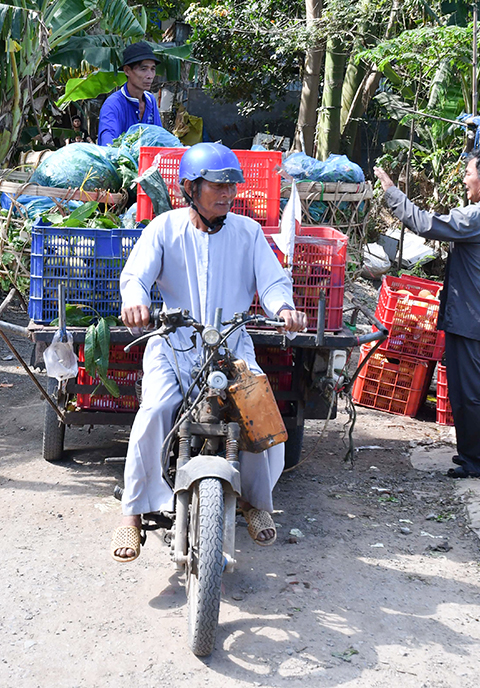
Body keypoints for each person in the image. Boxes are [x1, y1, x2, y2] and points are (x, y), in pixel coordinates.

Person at [112, 142, 307, 562]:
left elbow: (272, 282)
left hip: (231, 345)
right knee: (155, 410)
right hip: (174, 343)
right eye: (217, 185)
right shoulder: (163, 228)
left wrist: (285, 308)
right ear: (189, 188)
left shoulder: (248, 232)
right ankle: (133, 513)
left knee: (258, 413)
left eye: (231, 185)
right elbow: (136, 276)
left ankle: (257, 503)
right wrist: (136, 300)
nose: (227, 193)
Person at [374, 147, 480, 479]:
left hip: (472, 319)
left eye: (468, 172)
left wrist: (391, 192)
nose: (464, 179)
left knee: (470, 393)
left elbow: (428, 224)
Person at [97, 42, 163, 147]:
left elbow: (160, 137)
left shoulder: (150, 100)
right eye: (143, 69)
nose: (150, 75)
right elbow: (108, 146)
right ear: (127, 70)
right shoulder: (113, 105)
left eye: (152, 69)